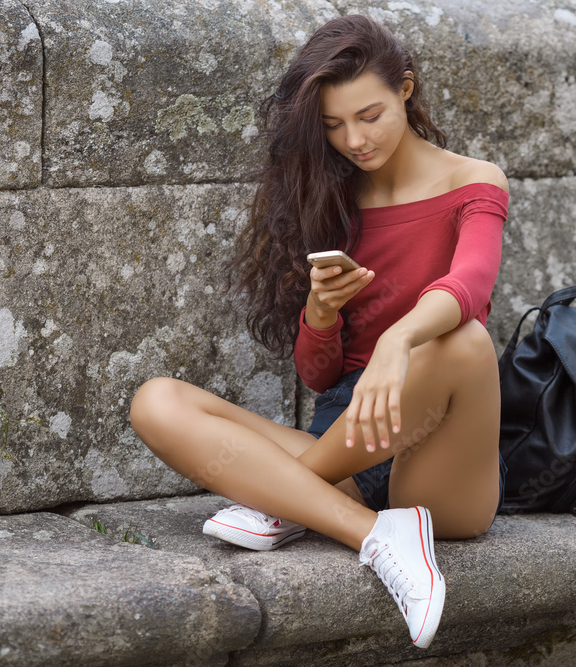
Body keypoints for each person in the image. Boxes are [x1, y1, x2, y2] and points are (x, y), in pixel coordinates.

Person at [128, 14, 509, 650]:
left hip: (433, 458)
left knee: (464, 340)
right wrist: (322, 315)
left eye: (369, 115)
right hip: (345, 445)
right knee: (156, 401)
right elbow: (319, 376)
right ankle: (372, 533)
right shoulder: (331, 197)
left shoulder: (472, 182)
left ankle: (283, 501)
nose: (354, 139)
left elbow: (471, 285)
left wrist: (397, 342)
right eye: (333, 126)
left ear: (405, 90)